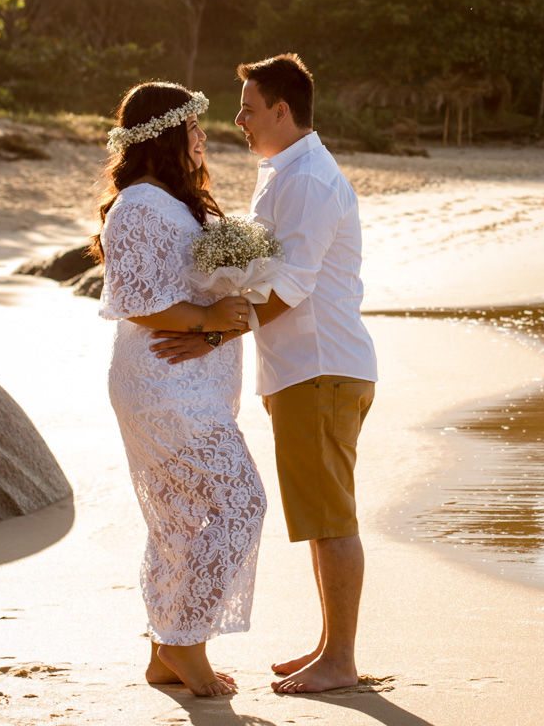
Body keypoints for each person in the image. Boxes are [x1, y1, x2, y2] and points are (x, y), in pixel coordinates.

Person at [150, 54, 378, 694]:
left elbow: (292, 286)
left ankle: (341, 660)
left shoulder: (308, 181)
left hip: (320, 368)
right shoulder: (287, 173)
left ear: (282, 110)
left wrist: (212, 332)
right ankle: (330, 647)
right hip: (306, 370)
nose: (239, 119)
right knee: (320, 515)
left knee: (330, 517)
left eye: (249, 108)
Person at [92, 81, 266, 697]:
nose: (202, 137)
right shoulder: (140, 204)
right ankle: (184, 642)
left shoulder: (173, 199)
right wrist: (210, 319)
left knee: (180, 520)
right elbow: (138, 302)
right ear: (163, 135)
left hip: (189, 380)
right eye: (191, 126)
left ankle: (164, 652)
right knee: (240, 503)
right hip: (161, 382)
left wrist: (223, 316)